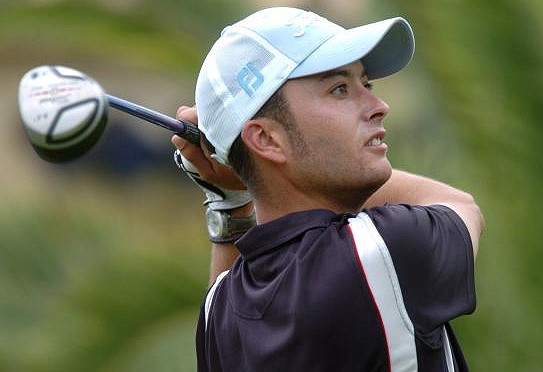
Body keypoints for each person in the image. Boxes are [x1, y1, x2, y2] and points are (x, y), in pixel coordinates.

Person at [171, 7, 484, 372]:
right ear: (267, 138)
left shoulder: (219, 312)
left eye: (365, 85)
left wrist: (238, 192)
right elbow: (459, 205)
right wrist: (246, 178)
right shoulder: (378, 252)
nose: (378, 106)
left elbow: (223, 290)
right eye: (339, 89)